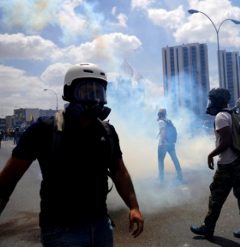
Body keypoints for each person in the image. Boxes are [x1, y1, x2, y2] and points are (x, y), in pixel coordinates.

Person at [0, 63, 144, 246]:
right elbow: (10, 177)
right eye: (86, 91)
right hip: (60, 231)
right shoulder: (44, 129)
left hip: (101, 225)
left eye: (98, 91)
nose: (94, 98)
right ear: (69, 93)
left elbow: (119, 171)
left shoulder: (107, 131)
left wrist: (134, 207)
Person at [190, 88, 240, 244]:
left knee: (216, 197)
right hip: (239, 162)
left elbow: (225, 142)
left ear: (217, 101)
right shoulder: (234, 114)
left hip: (227, 164)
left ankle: (208, 228)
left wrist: (210, 154)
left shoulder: (221, 116)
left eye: (212, 99)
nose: (210, 102)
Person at [157, 108, 183, 183]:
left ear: (159, 114)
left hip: (164, 144)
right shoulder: (168, 121)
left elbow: (163, 132)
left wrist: (162, 142)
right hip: (171, 144)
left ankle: (161, 178)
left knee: (160, 161)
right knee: (175, 159)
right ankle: (180, 175)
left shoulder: (161, 122)